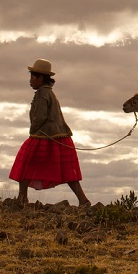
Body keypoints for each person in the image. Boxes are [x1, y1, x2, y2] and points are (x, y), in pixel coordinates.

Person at [9, 59, 91, 207]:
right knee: (67, 171)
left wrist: (33, 131)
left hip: (44, 136)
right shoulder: (49, 93)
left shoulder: (42, 94)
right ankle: (83, 200)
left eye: (33, 78)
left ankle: (22, 198)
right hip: (60, 137)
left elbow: (39, 117)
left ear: (41, 78)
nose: (30, 81)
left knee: (25, 162)